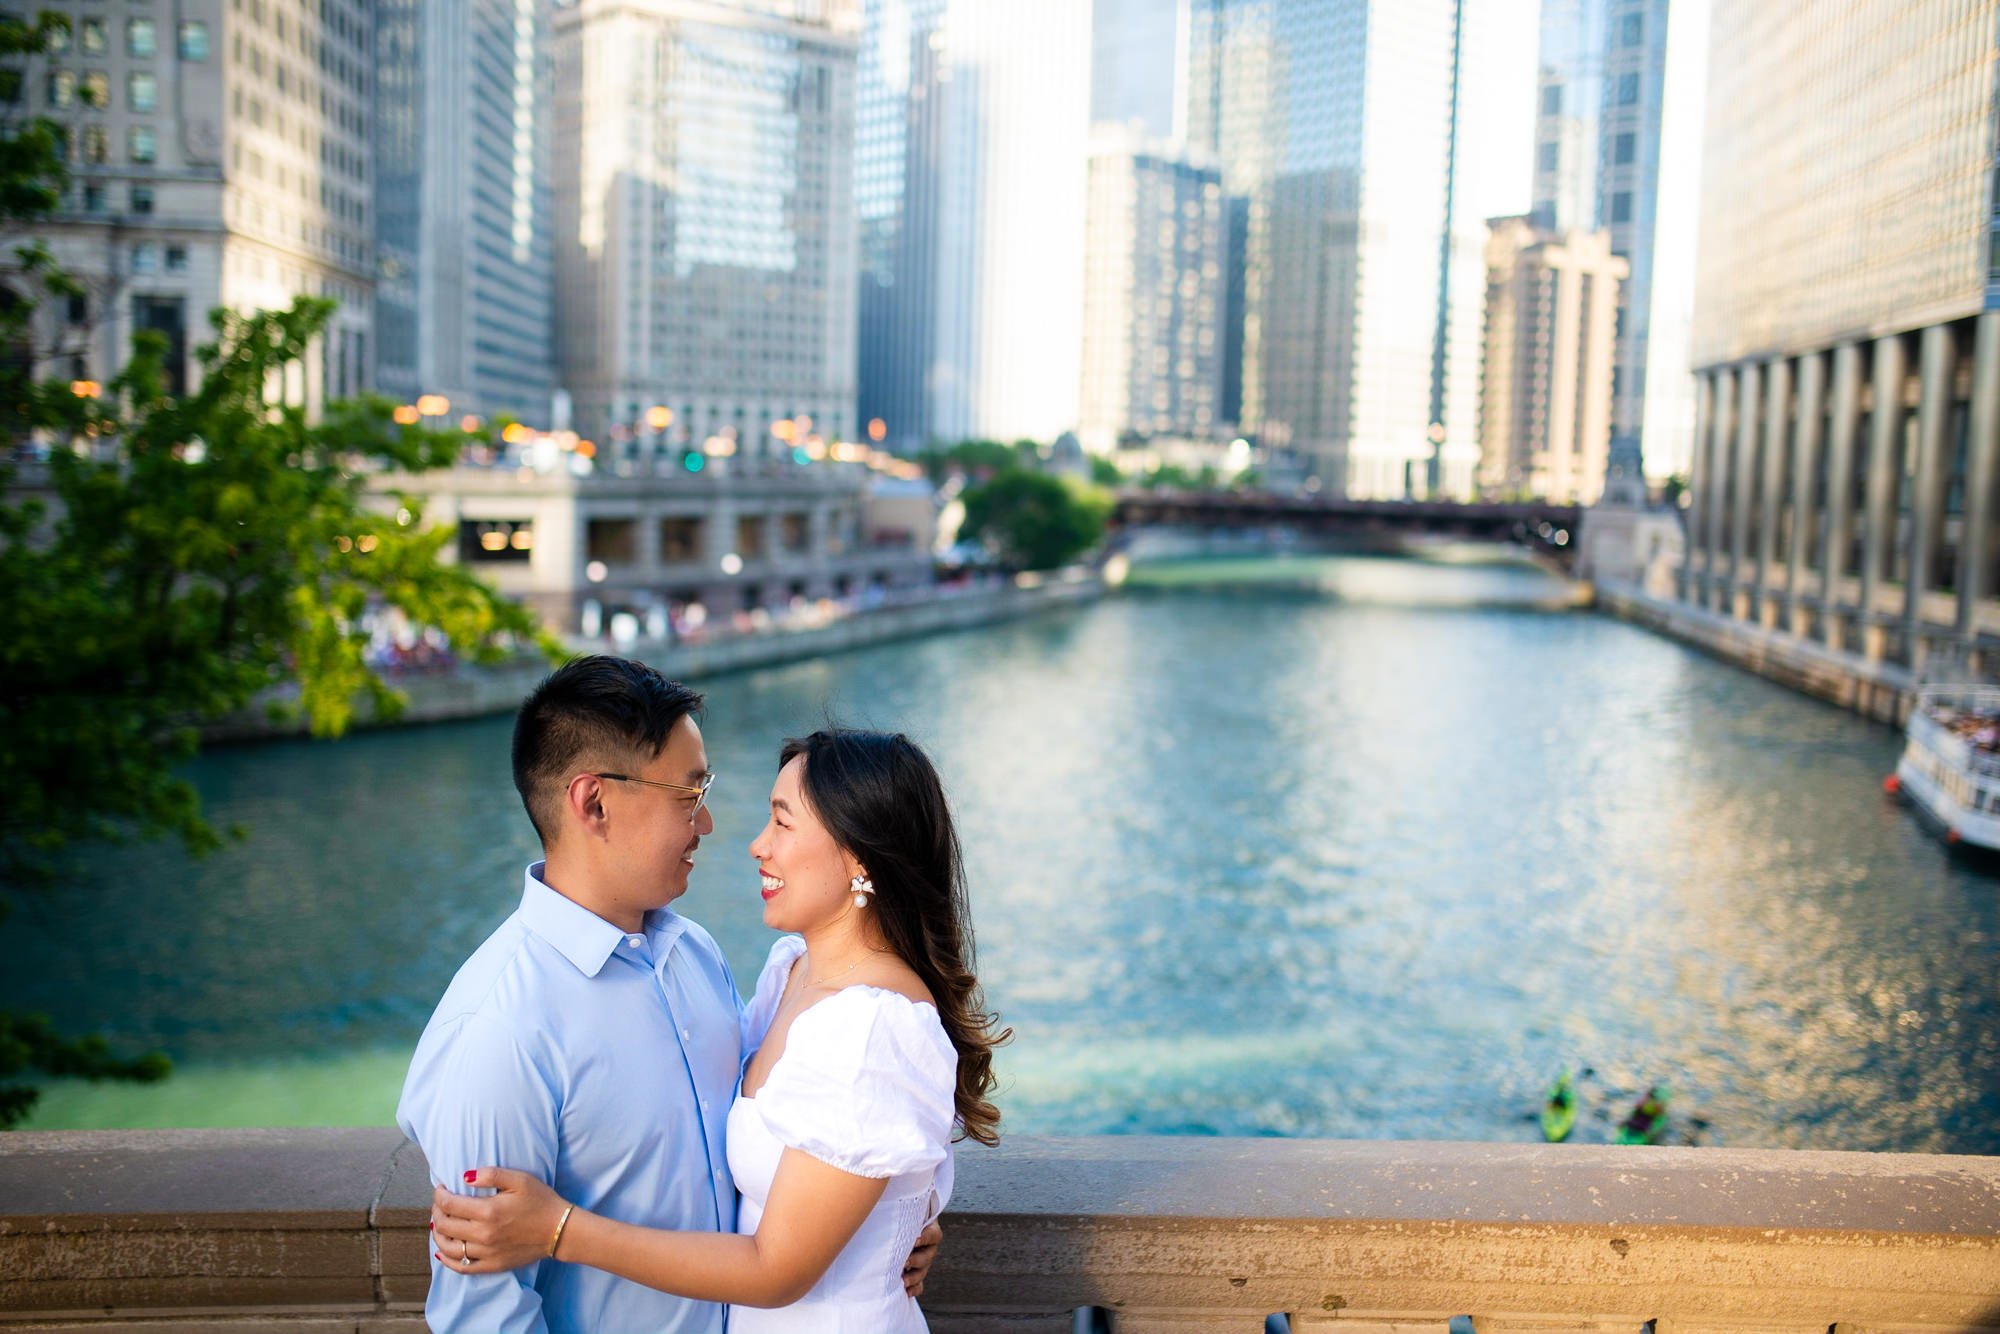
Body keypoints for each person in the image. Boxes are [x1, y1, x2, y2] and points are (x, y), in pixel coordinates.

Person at [398, 659, 942, 1334]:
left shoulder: (695, 956)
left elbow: (825, 1116)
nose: (711, 824)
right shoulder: (501, 1028)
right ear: (593, 802)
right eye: (688, 796)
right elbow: (483, 1317)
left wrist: (886, 1216)